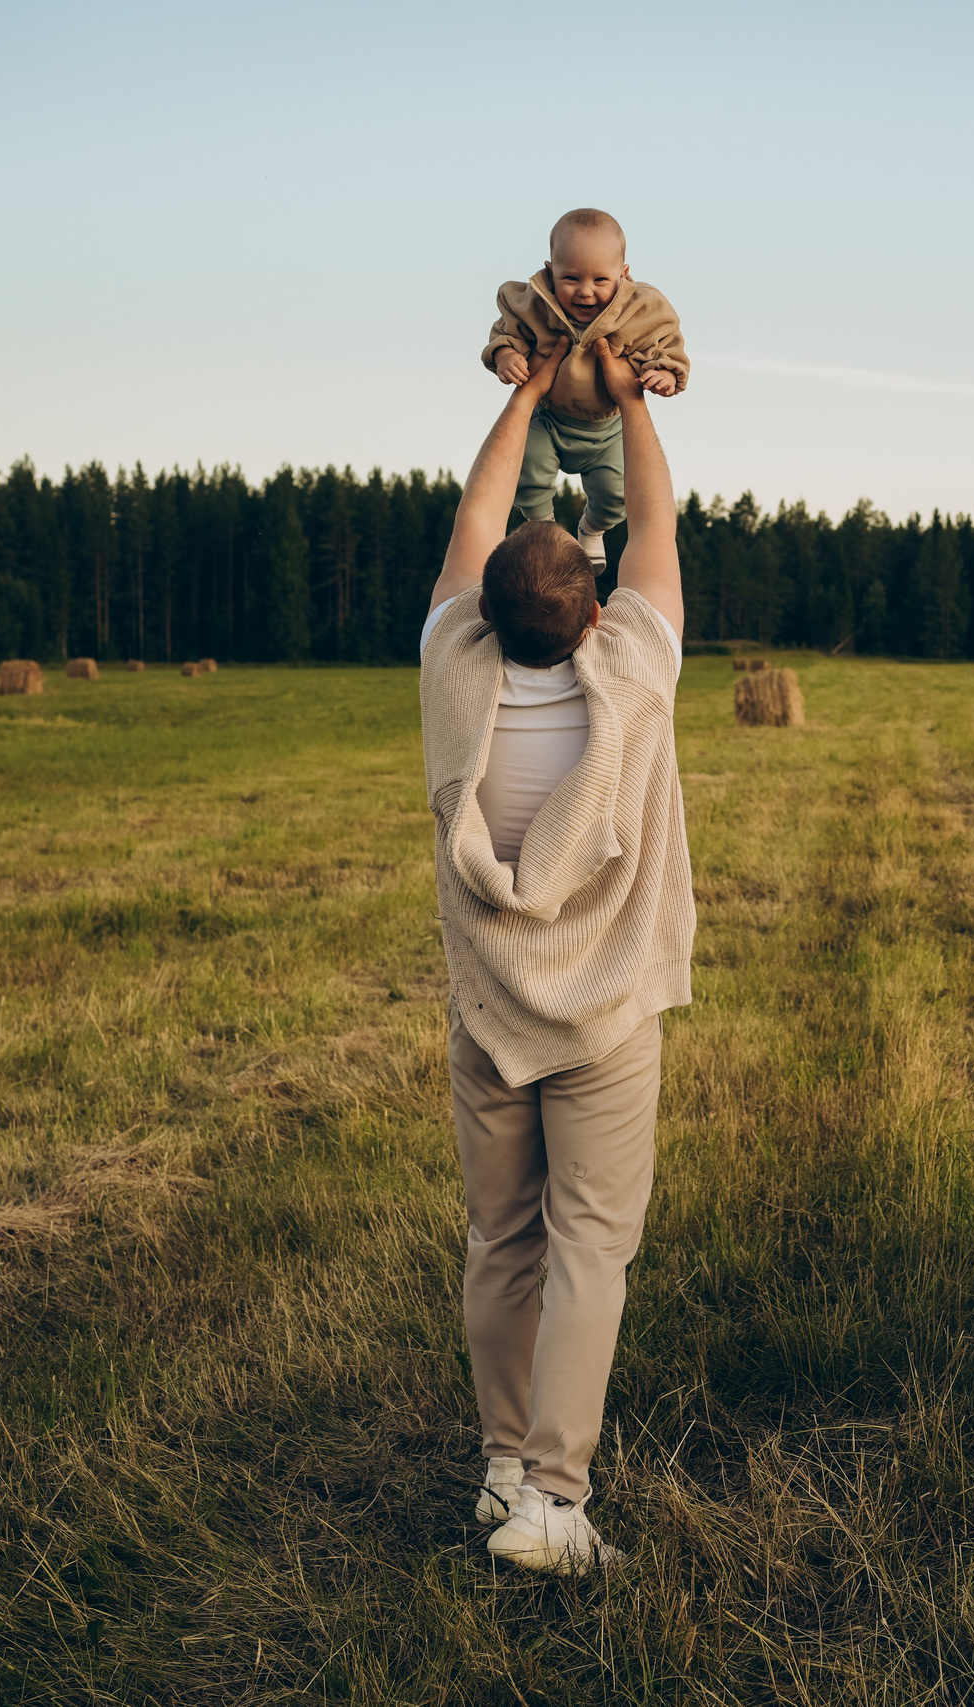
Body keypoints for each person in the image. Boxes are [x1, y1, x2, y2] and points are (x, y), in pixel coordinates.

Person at [420, 332, 691, 1573]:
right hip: (603, 1021)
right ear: (591, 610)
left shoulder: (451, 669)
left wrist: (526, 393)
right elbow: (655, 529)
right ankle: (555, 1502)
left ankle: (496, 1465)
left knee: (501, 1241)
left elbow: (478, 514)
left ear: (484, 610)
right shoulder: (634, 672)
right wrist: (630, 405)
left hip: (492, 1019)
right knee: (591, 1245)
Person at [482, 208, 689, 570]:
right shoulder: (533, 304)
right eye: (571, 278)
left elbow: (663, 343)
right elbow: (507, 330)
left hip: (607, 429)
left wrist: (665, 374)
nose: (585, 291)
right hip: (548, 418)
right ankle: (544, 528)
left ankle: (591, 530)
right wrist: (504, 355)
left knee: (616, 495)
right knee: (525, 470)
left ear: (623, 276)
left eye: (600, 280)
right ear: (550, 272)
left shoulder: (638, 311)